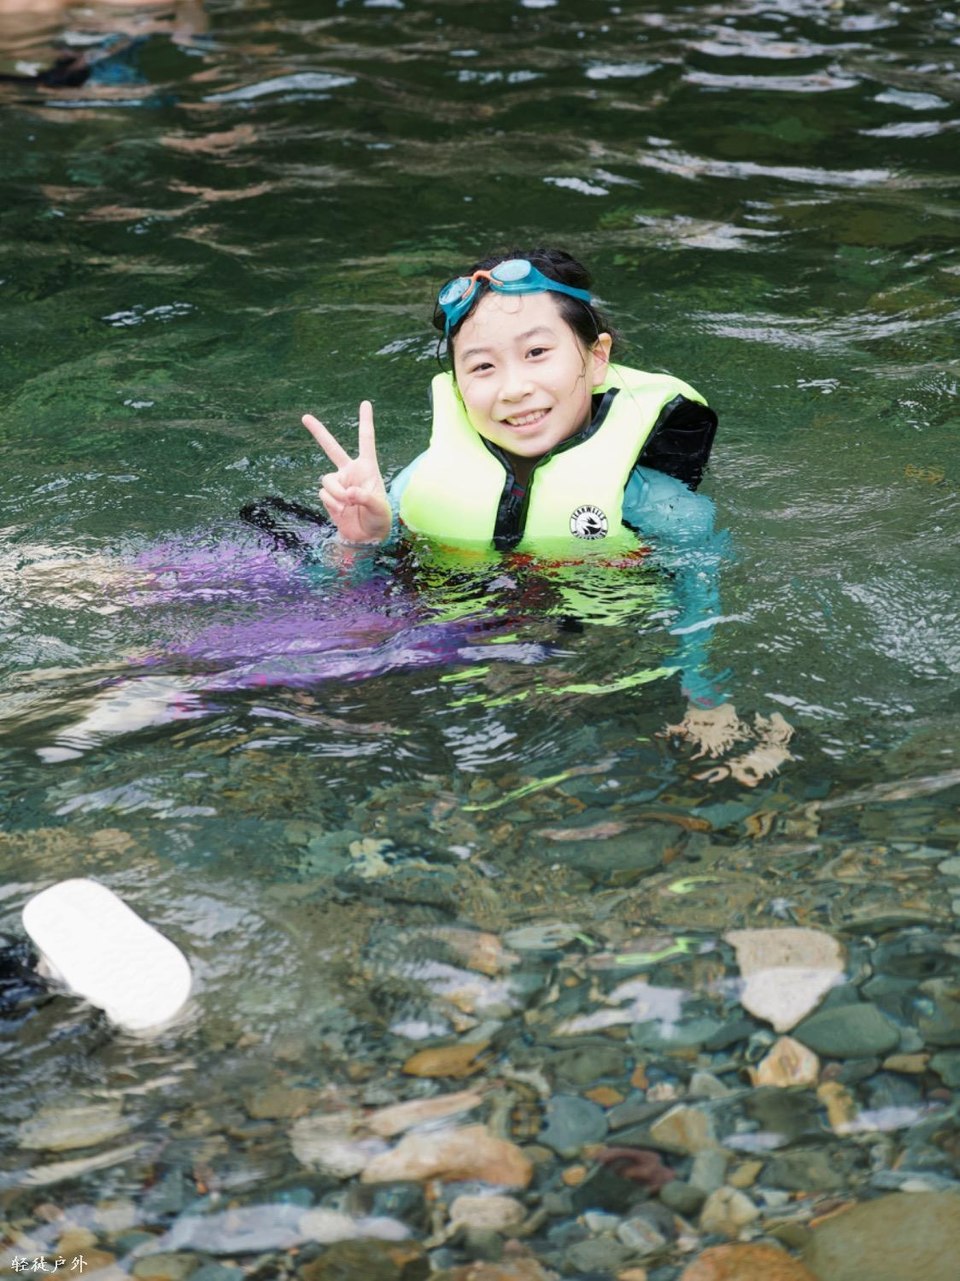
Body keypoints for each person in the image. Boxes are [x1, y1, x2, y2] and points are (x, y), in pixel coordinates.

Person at [301, 248, 717, 554]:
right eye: (482, 366)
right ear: (458, 385)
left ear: (596, 358)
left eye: (536, 352)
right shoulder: (412, 488)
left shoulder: (657, 507)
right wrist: (361, 543)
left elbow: (691, 621)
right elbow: (352, 604)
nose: (513, 389)